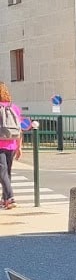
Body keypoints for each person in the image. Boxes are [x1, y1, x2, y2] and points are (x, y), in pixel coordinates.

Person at [0, 81, 22, 209]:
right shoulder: (14, 108)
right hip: (12, 144)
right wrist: (19, 146)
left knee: (2, 173)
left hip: (0, 145)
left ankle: (10, 197)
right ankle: (4, 200)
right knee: (6, 173)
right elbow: (20, 129)